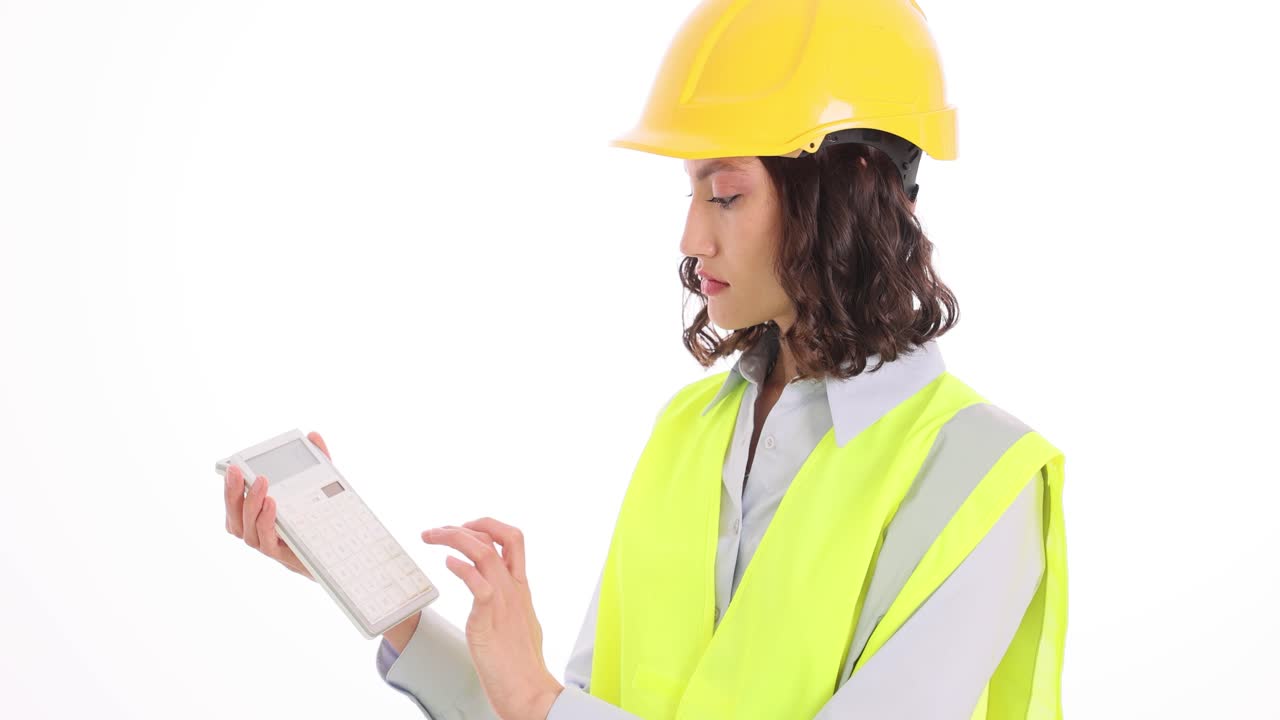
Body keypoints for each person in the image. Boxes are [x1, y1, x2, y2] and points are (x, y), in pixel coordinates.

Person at [223, 0, 1067, 718]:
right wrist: (384, 601)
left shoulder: (979, 480)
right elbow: (568, 708)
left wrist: (542, 701)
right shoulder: (689, 431)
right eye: (691, 192)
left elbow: (553, 710)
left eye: (726, 194)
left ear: (848, 190)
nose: (692, 238)